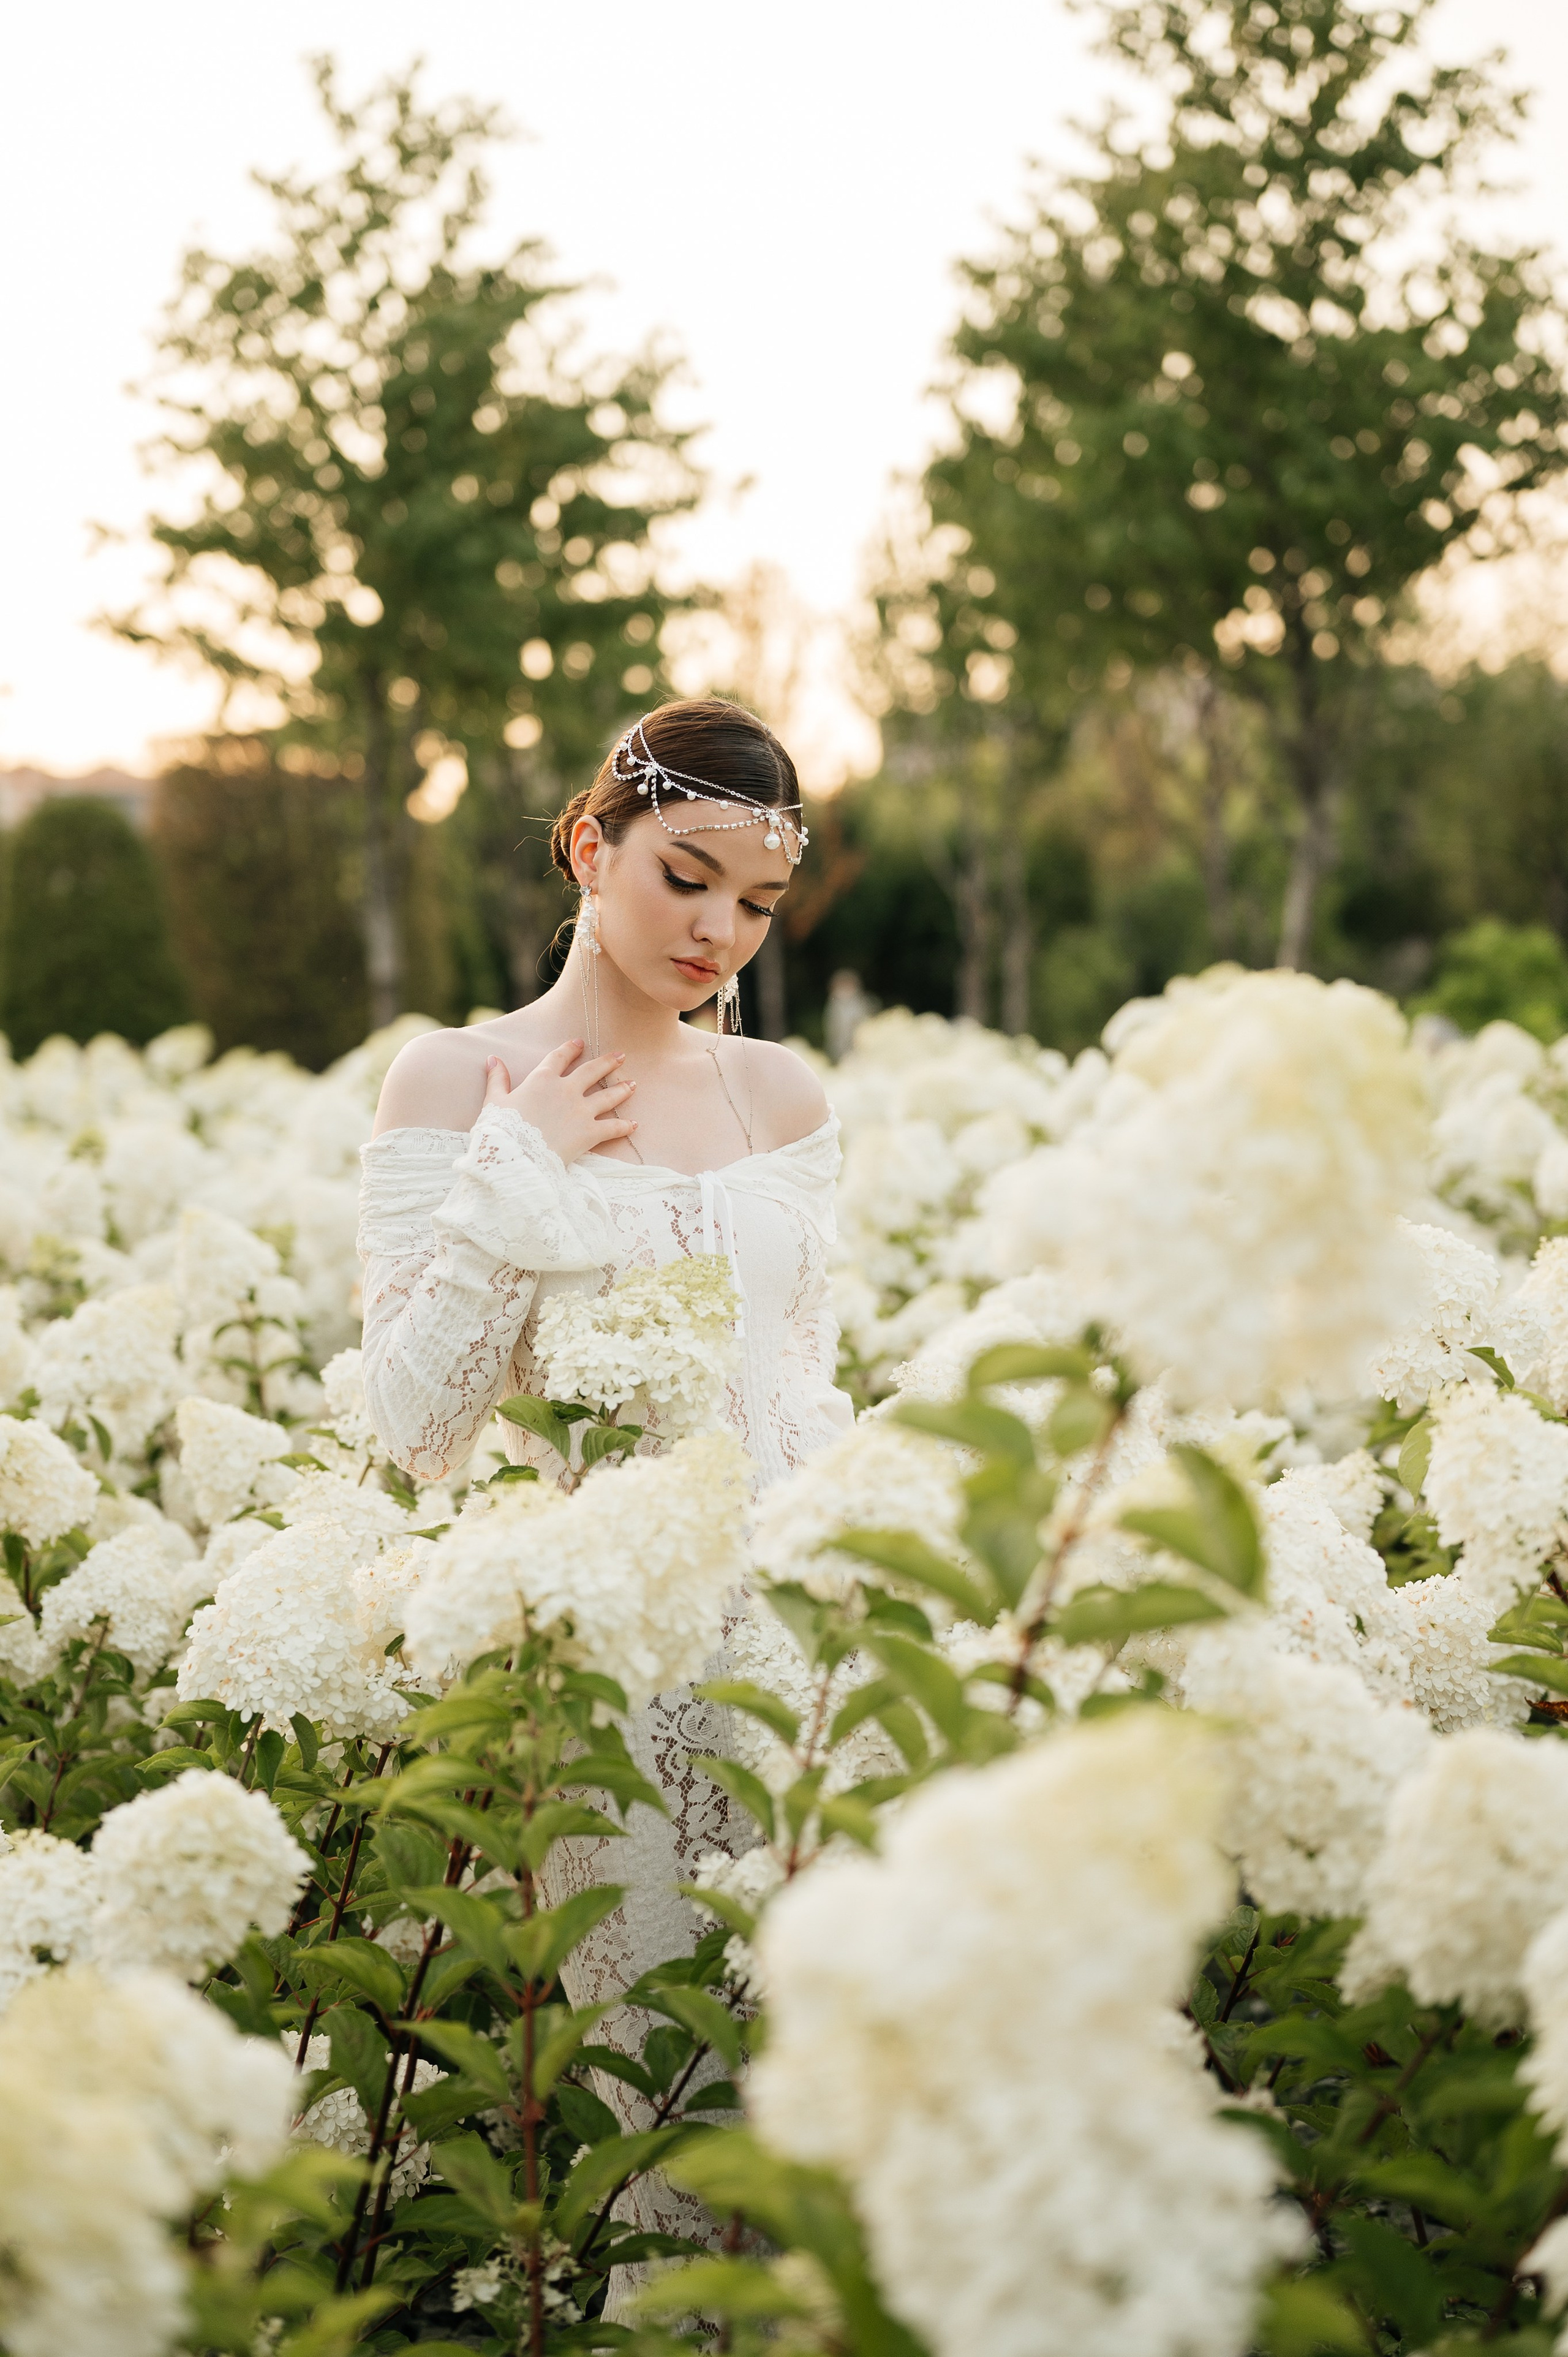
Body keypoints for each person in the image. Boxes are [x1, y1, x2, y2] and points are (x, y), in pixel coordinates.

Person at [356, 697, 854, 2270]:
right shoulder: (454, 1082)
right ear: (591, 844)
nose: (719, 931)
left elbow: (804, 1379)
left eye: (757, 905)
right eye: (684, 878)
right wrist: (522, 1176)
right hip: (615, 1687)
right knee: (671, 2149)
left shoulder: (781, 1098)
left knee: (827, 2132)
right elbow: (411, 1428)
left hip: (813, 1660)